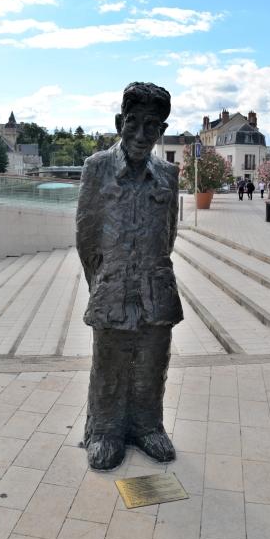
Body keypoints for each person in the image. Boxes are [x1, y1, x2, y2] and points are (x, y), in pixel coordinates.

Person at [76, 82, 183, 470]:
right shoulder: (97, 167)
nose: (141, 135)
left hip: (156, 286)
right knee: (110, 362)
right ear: (120, 121)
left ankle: (147, 426)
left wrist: (149, 272)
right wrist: (104, 282)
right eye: (133, 123)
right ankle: (104, 430)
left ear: (162, 131)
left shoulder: (168, 174)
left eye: (152, 126)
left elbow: (169, 234)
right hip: (113, 284)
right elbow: (86, 236)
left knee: (154, 360)